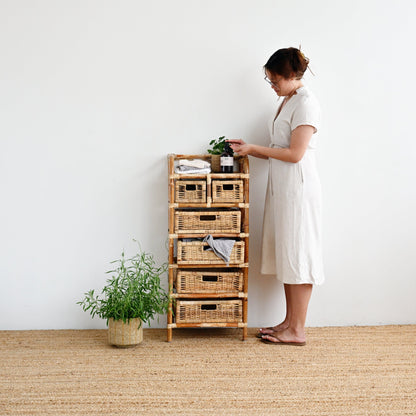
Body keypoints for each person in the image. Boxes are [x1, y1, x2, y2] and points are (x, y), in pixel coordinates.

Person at [228, 47, 324, 346]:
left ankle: (298, 329)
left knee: (299, 253)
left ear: (291, 76)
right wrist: (249, 148)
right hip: (283, 188)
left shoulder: (306, 103)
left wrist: (254, 149)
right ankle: (288, 322)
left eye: (275, 80)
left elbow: (295, 154)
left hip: (298, 188)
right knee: (288, 252)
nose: (272, 86)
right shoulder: (288, 101)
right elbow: (281, 147)